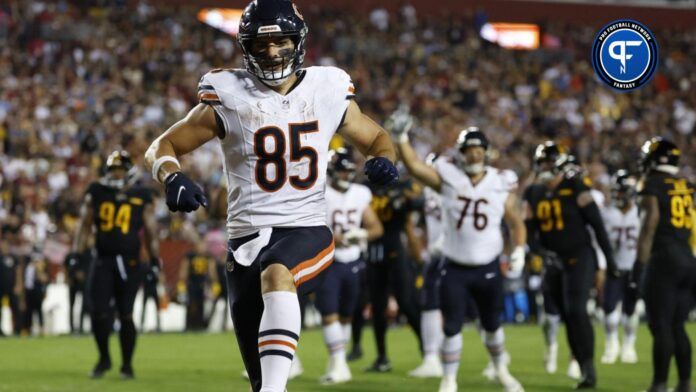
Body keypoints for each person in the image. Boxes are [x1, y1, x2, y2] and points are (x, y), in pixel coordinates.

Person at [143, 1, 398, 390]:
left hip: (305, 229)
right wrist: (170, 176)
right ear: (246, 47)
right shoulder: (229, 94)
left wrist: (384, 159)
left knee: (277, 273)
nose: (272, 52)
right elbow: (161, 146)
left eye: (280, 41)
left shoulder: (326, 88)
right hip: (245, 240)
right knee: (261, 377)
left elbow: (377, 137)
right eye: (261, 45)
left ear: (298, 41)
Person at [390, 114, 526, 392]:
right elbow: (415, 168)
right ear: (461, 153)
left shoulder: (501, 182)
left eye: (478, 149)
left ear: (486, 152)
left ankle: (501, 370)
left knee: (492, 326)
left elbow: (515, 220)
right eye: (469, 149)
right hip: (454, 266)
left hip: (488, 266)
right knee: (451, 326)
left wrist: (520, 249)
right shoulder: (449, 178)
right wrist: (402, 139)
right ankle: (449, 379)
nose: (474, 154)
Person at [523, 141, 618, 389]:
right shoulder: (533, 192)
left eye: (548, 162)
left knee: (577, 310)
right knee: (566, 314)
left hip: (579, 257)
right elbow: (529, 231)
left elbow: (597, 225)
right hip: (553, 262)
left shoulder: (576, 186)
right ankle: (581, 362)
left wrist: (609, 260)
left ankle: (588, 367)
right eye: (541, 162)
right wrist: (539, 253)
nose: (544, 167)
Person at [73, 150, 160, 379]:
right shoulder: (97, 191)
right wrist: (76, 253)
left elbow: (151, 230)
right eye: (113, 170)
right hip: (103, 260)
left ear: (129, 172)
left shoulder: (142, 194)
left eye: (120, 169)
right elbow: (85, 223)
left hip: (130, 263)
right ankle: (104, 358)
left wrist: (153, 260)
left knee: (126, 314)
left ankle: (127, 365)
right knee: (98, 312)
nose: (117, 174)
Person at [316, 148, 383, 384]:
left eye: (349, 172)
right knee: (329, 314)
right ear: (332, 172)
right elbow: (309, 229)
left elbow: (376, 228)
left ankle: (338, 361)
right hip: (328, 261)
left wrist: (360, 232)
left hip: (354, 262)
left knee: (345, 315)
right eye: (342, 172)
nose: (346, 176)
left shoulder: (360, 193)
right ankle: (340, 363)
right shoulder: (319, 193)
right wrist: (334, 238)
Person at [634, 137, 695, 392]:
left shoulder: (652, 183)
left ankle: (659, 384)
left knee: (661, 326)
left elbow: (650, 225)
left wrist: (639, 265)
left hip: (664, 258)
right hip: (688, 257)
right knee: (677, 325)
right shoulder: (687, 185)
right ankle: (684, 383)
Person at [409, 152, 445, 379]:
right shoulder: (428, 192)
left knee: (475, 305)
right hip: (436, 255)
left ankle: (497, 359)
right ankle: (432, 357)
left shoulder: (451, 188)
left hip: (455, 253)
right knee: (430, 303)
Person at [599, 170, 641, 365]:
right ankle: (611, 343)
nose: (618, 196)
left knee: (630, 310)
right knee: (608, 308)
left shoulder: (641, 212)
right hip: (614, 267)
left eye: (622, 192)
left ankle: (629, 344)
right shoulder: (607, 213)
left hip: (634, 267)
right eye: (617, 192)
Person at [65, 251, 90, 334]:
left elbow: (87, 268)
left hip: (81, 284)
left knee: (83, 305)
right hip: (72, 284)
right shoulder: (69, 255)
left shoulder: (84, 255)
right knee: (71, 305)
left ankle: (81, 327)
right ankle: (72, 328)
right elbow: (65, 267)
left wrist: (83, 275)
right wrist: (68, 277)